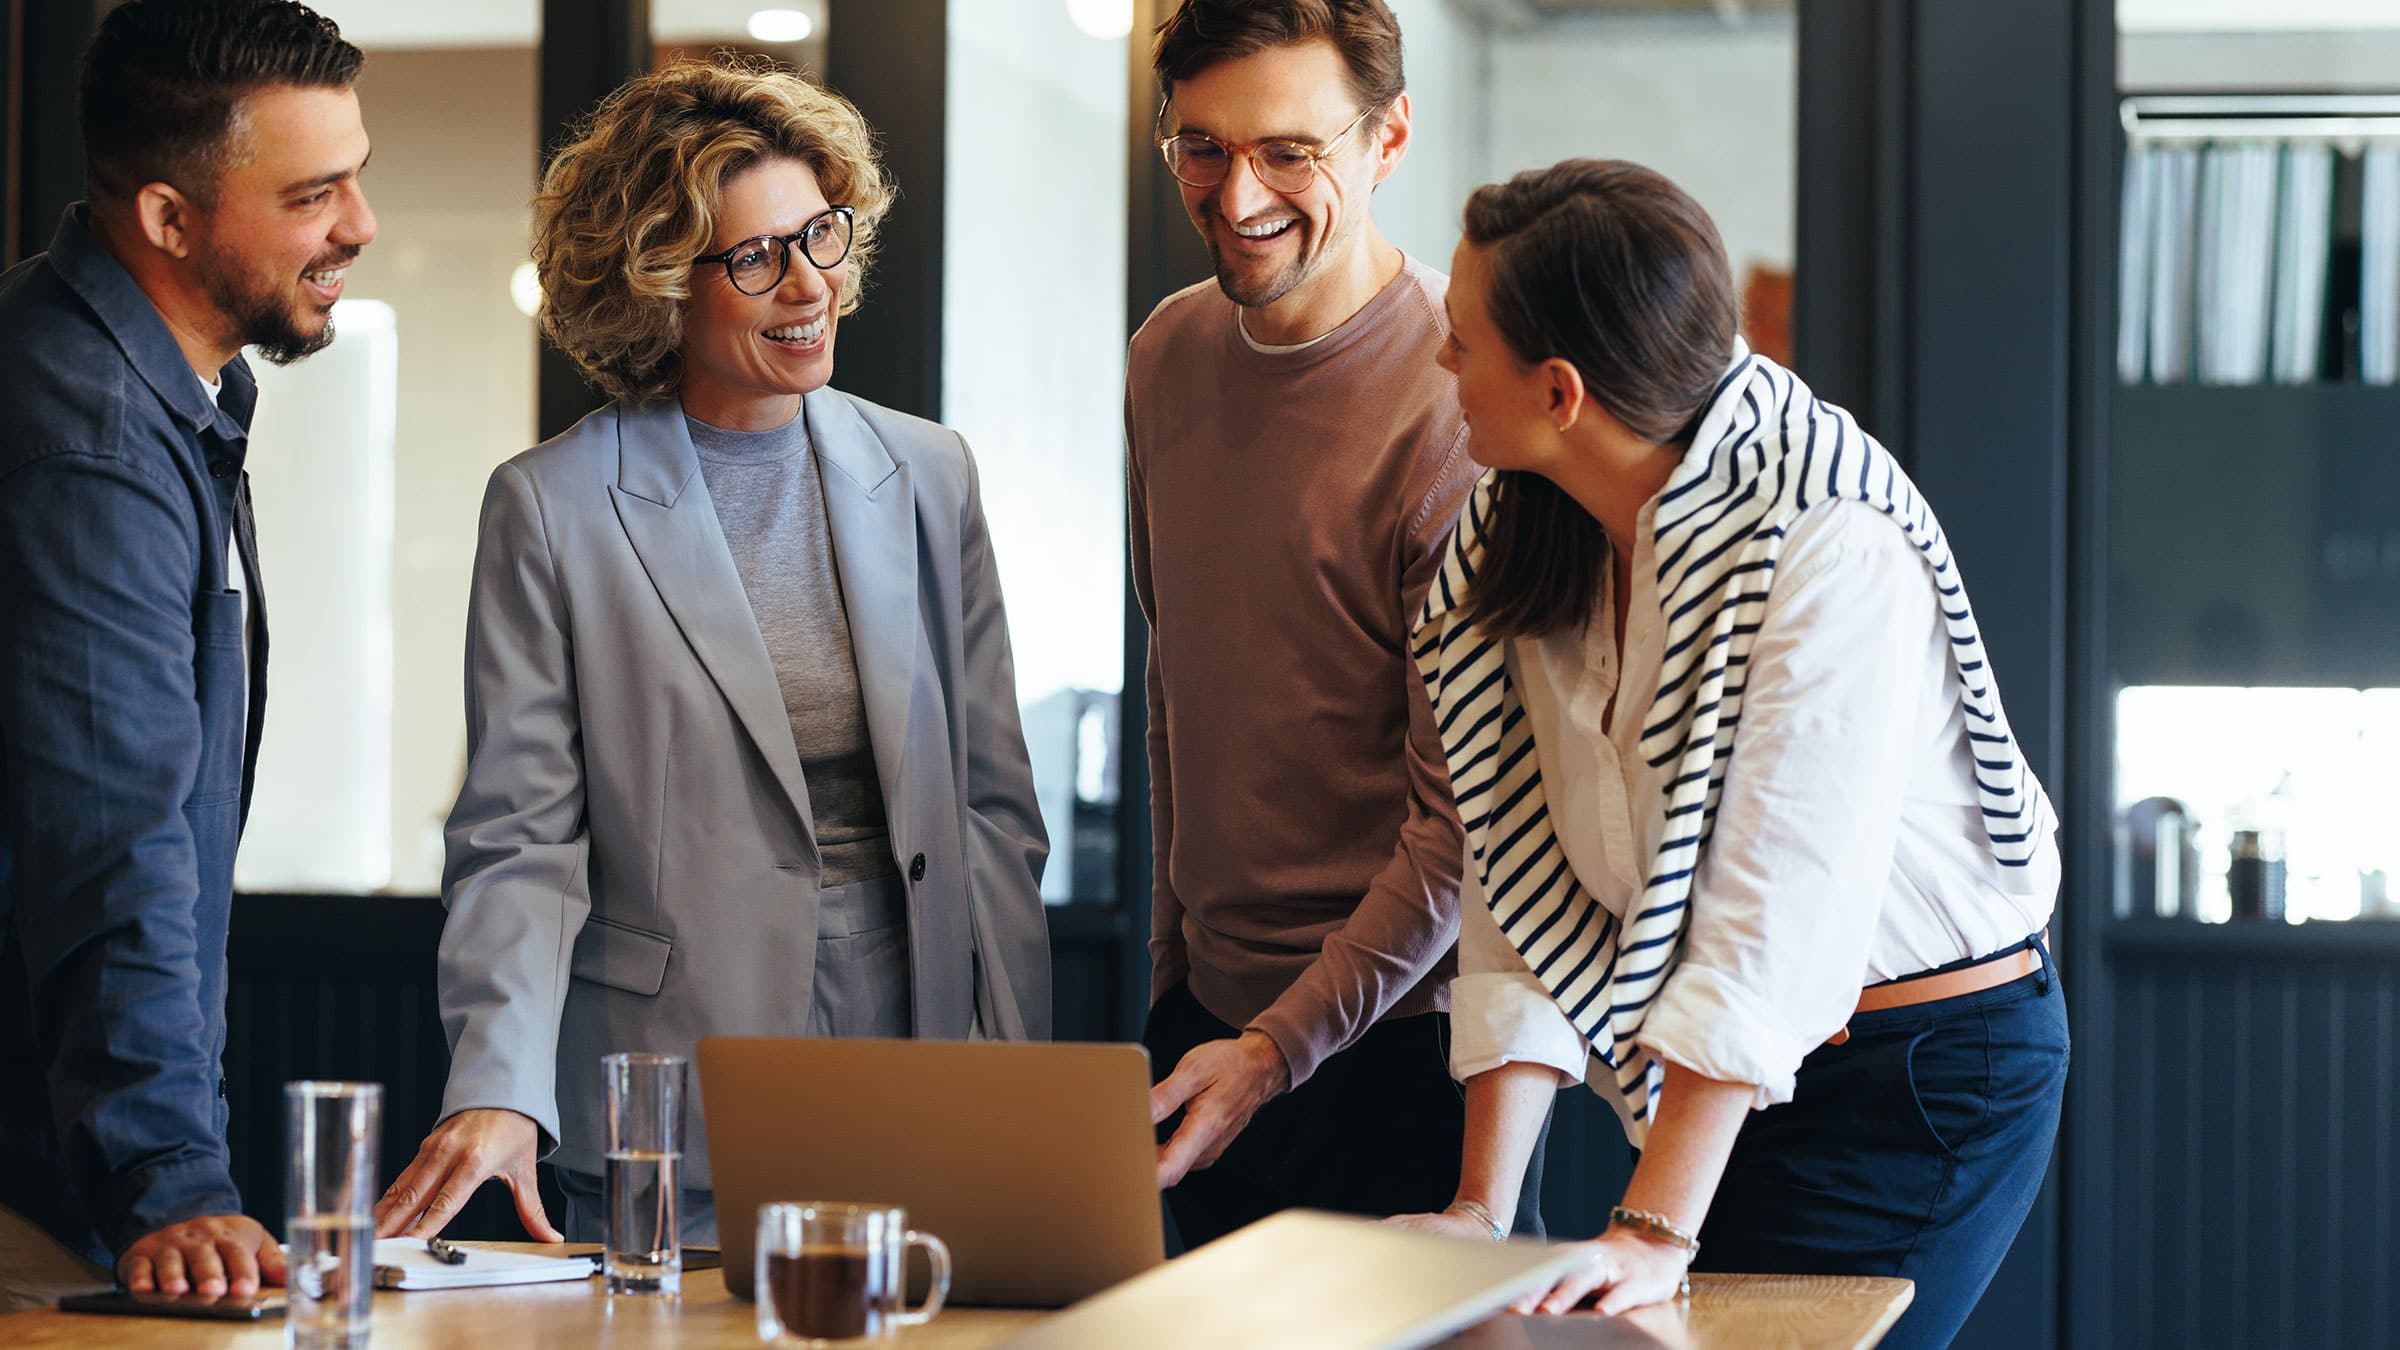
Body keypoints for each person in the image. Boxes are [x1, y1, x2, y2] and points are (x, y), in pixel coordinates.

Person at [372, 57, 1051, 1247]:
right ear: (658, 286)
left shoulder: (929, 472)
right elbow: (518, 839)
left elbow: (994, 811)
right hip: (668, 1082)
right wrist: (498, 1082)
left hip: (919, 1059)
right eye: (754, 258)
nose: (809, 284)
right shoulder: (554, 506)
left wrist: (1017, 1078)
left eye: (820, 236)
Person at [1395, 159, 2068, 1349]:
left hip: (1918, 1079)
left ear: (1559, 391)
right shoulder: (1528, 521)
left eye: (1460, 341)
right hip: (1734, 1082)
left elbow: (1776, 920)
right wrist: (1480, 1209)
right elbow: (1515, 860)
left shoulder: (1828, 541)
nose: (1440, 365)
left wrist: (1653, 1231)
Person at [1128, 0, 1539, 1249]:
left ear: (1389, 138)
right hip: (1202, 1031)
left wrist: (1275, 1047)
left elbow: (1463, 821)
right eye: (1201, 146)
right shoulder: (1165, 354)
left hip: (1400, 1051)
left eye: (1288, 152)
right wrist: (1175, 984)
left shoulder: (1462, 406)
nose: (1237, 192)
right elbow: (1177, 693)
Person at [0, 0, 375, 1311]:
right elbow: (114, 834)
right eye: (315, 192)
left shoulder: (165, 394)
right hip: (45, 1181)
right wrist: (168, 1174)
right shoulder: (92, 436)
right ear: (168, 218)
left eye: (357, 177)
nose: (359, 226)